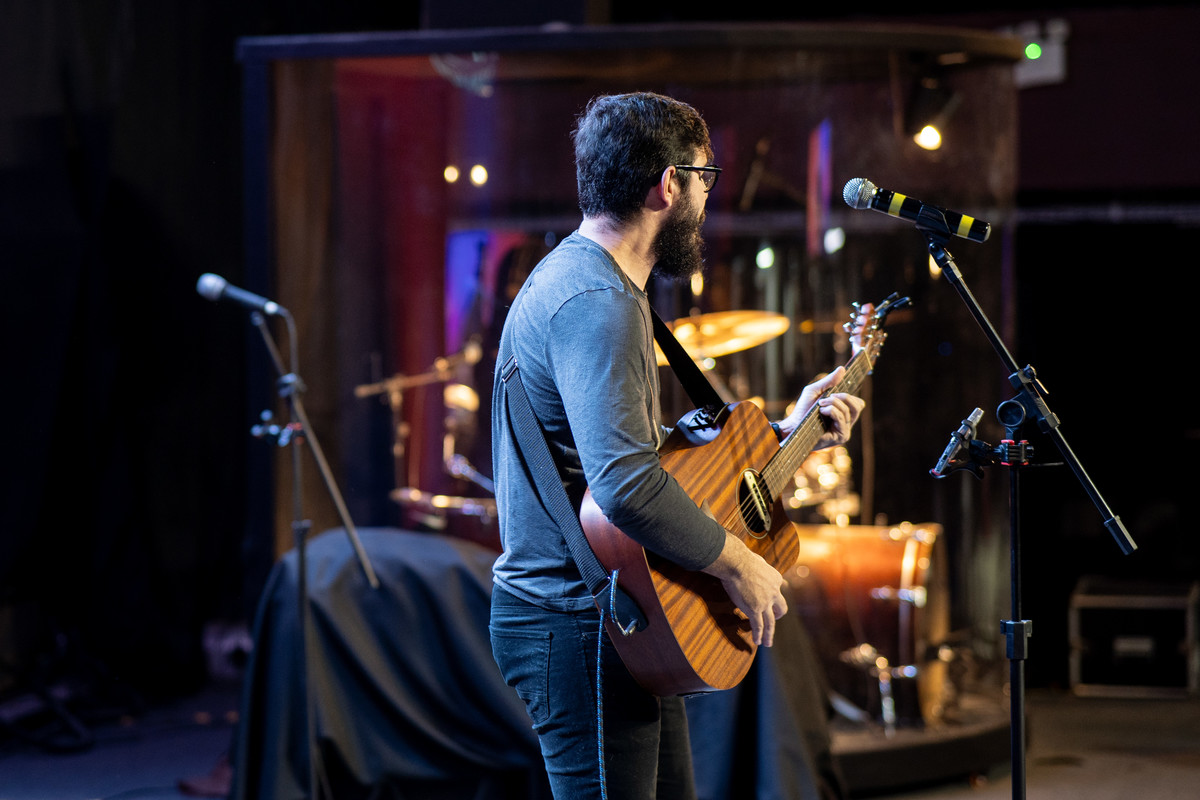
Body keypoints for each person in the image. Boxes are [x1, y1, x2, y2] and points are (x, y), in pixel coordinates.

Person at [488, 91, 865, 800]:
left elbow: (648, 457)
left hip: (615, 615)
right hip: (580, 623)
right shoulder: (598, 303)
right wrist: (738, 565)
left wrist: (790, 432)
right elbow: (626, 485)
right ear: (669, 185)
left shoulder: (595, 284)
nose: (706, 197)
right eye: (705, 177)